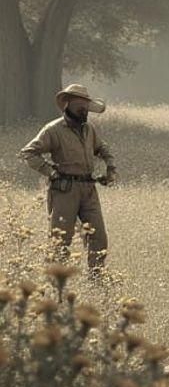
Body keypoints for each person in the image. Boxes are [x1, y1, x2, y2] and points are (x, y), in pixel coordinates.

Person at [19, 84, 117, 272]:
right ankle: (56, 280)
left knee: (99, 238)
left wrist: (110, 167)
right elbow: (28, 153)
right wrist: (51, 173)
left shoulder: (89, 129)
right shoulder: (53, 130)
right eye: (80, 105)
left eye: (86, 105)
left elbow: (102, 148)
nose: (84, 109)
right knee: (60, 240)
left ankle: (96, 279)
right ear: (68, 104)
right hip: (64, 190)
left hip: (89, 189)